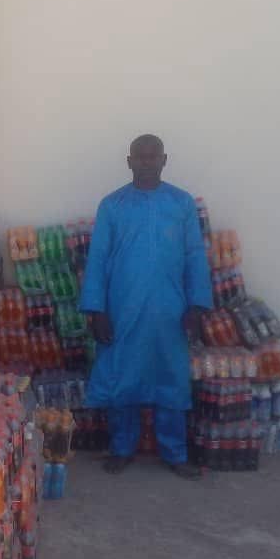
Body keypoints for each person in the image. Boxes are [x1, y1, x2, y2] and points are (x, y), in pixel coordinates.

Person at [79, 135, 212, 479]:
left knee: (171, 378)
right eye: (141, 156)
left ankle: (175, 453)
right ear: (129, 161)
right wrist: (96, 310)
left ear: (165, 160)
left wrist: (197, 306)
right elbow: (97, 260)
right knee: (124, 377)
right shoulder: (112, 206)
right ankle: (122, 448)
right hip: (122, 308)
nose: (147, 162)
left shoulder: (181, 204)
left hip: (170, 310)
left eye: (154, 157)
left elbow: (195, 256)